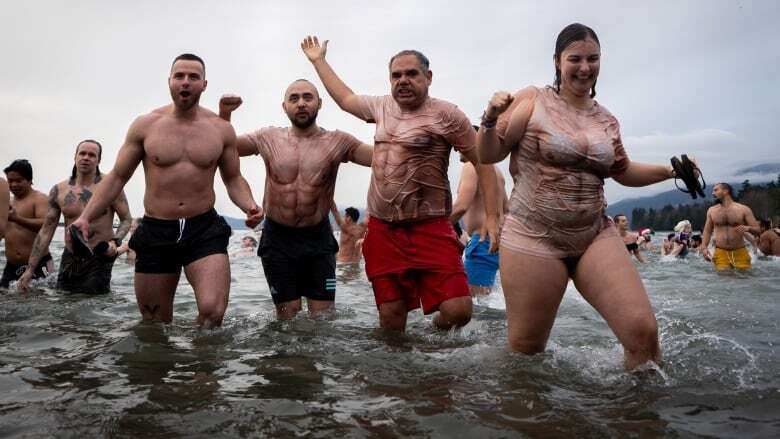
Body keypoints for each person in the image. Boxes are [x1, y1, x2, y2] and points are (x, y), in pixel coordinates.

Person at [476, 23, 682, 369]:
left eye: (593, 59)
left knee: (643, 335)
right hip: (533, 236)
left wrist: (671, 171)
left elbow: (622, 170)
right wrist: (490, 118)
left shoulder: (606, 120)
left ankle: (635, 420)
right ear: (557, 61)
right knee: (526, 354)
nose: (585, 67)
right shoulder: (532, 100)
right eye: (575, 58)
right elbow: (489, 154)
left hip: (593, 234)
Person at [302, 35, 500, 332]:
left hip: (430, 226)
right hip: (383, 229)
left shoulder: (448, 115)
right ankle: (398, 376)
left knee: (459, 310)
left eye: (411, 74)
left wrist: (493, 217)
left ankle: (433, 334)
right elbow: (345, 99)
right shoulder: (381, 108)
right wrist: (319, 61)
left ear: (428, 77)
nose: (403, 80)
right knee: (391, 320)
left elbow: (482, 160)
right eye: (396, 75)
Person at [72, 54, 263, 327]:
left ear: (204, 84)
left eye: (193, 77)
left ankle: (200, 367)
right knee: (154, 323)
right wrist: (85, 217)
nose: (186, 82)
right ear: (170, 82)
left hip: (203, 228)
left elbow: (233, 178)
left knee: (212, 314)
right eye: (180, 76)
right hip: (157, 229)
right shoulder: (145, 126)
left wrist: (250, 206)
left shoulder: (220, 130)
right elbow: (116, 178)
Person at [218, 79, 373, 319]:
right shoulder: (267, 137)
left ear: (319, 103)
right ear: (284, 106)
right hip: (277, 239)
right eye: (294, 98)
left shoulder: (338, 141)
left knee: (323, 318)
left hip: (318, 239)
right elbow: (225, 146)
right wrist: (224, 115)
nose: (301, 103)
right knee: (286, 318)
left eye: (307, 97)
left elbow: (381, 158)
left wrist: (394, 126)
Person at [18, 141, 132, 294]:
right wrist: (30, 269)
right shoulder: (59, 190)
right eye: (82, 153)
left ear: (98, 160)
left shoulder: (110, 186)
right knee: (63, 304)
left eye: (92, 155)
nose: (86, 158)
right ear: (75, 157)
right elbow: (46, 231)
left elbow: (126, 220)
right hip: (70, 256)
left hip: (99, 257)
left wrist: (115, 242)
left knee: (92, 306)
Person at [451, 152, 508, 296]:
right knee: (488, 301)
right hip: (498, 243)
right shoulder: (497, 171)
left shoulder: (471, 166)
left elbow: (462, 205)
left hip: (482, 244)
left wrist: (435, 227)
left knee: (475, 306)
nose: (457, 149)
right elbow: (507, 210)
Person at [1, 160, 53, 288]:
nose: (13, 184)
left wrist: (17, 218)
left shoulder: (39, 199)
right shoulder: (7, 202)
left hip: (39, 263)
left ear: (29, 180)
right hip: (11, 266)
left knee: (37, 302)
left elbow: (46, 225)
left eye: (18, 181)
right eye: (10, 181)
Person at [701, 183, 759, 270]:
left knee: (745, 279)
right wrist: (704, 248)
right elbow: (707, 231)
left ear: (725, 191)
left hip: (740, 251)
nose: (713, 193)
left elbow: (758, 229)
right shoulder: (712, 211)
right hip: (720, 252)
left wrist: (748, 228)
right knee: (723, 281)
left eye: (716, 190)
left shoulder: (743, 209)